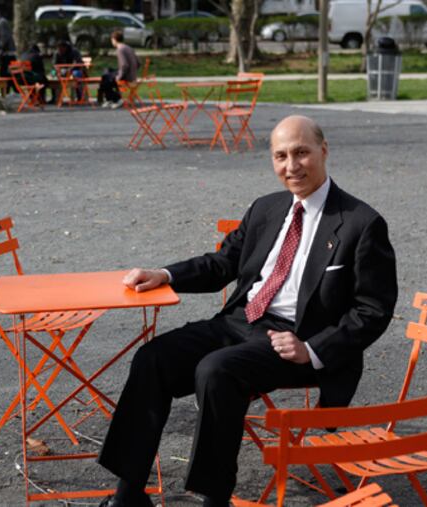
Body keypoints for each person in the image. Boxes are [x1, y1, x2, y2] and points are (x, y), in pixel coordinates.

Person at [96, 115, 398, 507]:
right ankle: (129, 496)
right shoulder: (266, 208)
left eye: (302, 153)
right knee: (152, 359)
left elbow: (373, 310)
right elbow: (223, 263)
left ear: (324, 151)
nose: (292, 166)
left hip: (296, 339)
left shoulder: (361, 223)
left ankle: (215, 498)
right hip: (243, 320)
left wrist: (312, 349)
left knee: (216, 371)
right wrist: (165, 274)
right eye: (281, 156)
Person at [98, 30, 140, 109]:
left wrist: (119, 77)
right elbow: (138, 63)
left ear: (114, 39)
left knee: (105, 78)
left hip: (127, 76)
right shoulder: (128, 47)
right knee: (107, 73)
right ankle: (109, 99)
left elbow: (124, 65)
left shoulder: (120, 49)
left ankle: (116, 99)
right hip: (132, 75)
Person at [0, 11, 16, 94]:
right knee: (9, 73)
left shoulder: (2, 23)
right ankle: (8, 91)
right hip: (7, 54)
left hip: (7, 54)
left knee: (4, 73)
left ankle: (6, 92)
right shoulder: (1, 23)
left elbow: (4, 39)